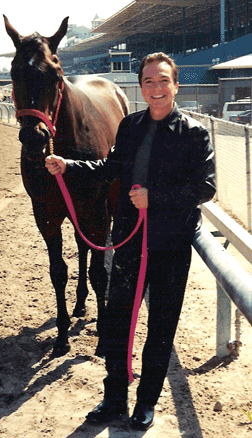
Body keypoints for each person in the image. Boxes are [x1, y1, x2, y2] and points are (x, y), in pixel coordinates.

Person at [45, 52, 216, 431]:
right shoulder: (130, 126)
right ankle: (114, 397)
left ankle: (146, 402)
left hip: (170, 245)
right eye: (149, 82)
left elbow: (206, 187)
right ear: (141, 87)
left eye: (163, 81)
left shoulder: (194, 133)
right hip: (128, 240)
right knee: (119, 323)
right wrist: (69, 166)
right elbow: (112, 167)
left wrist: (156, 198)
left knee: (161, 325)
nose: (156, 89)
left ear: (176, 85)